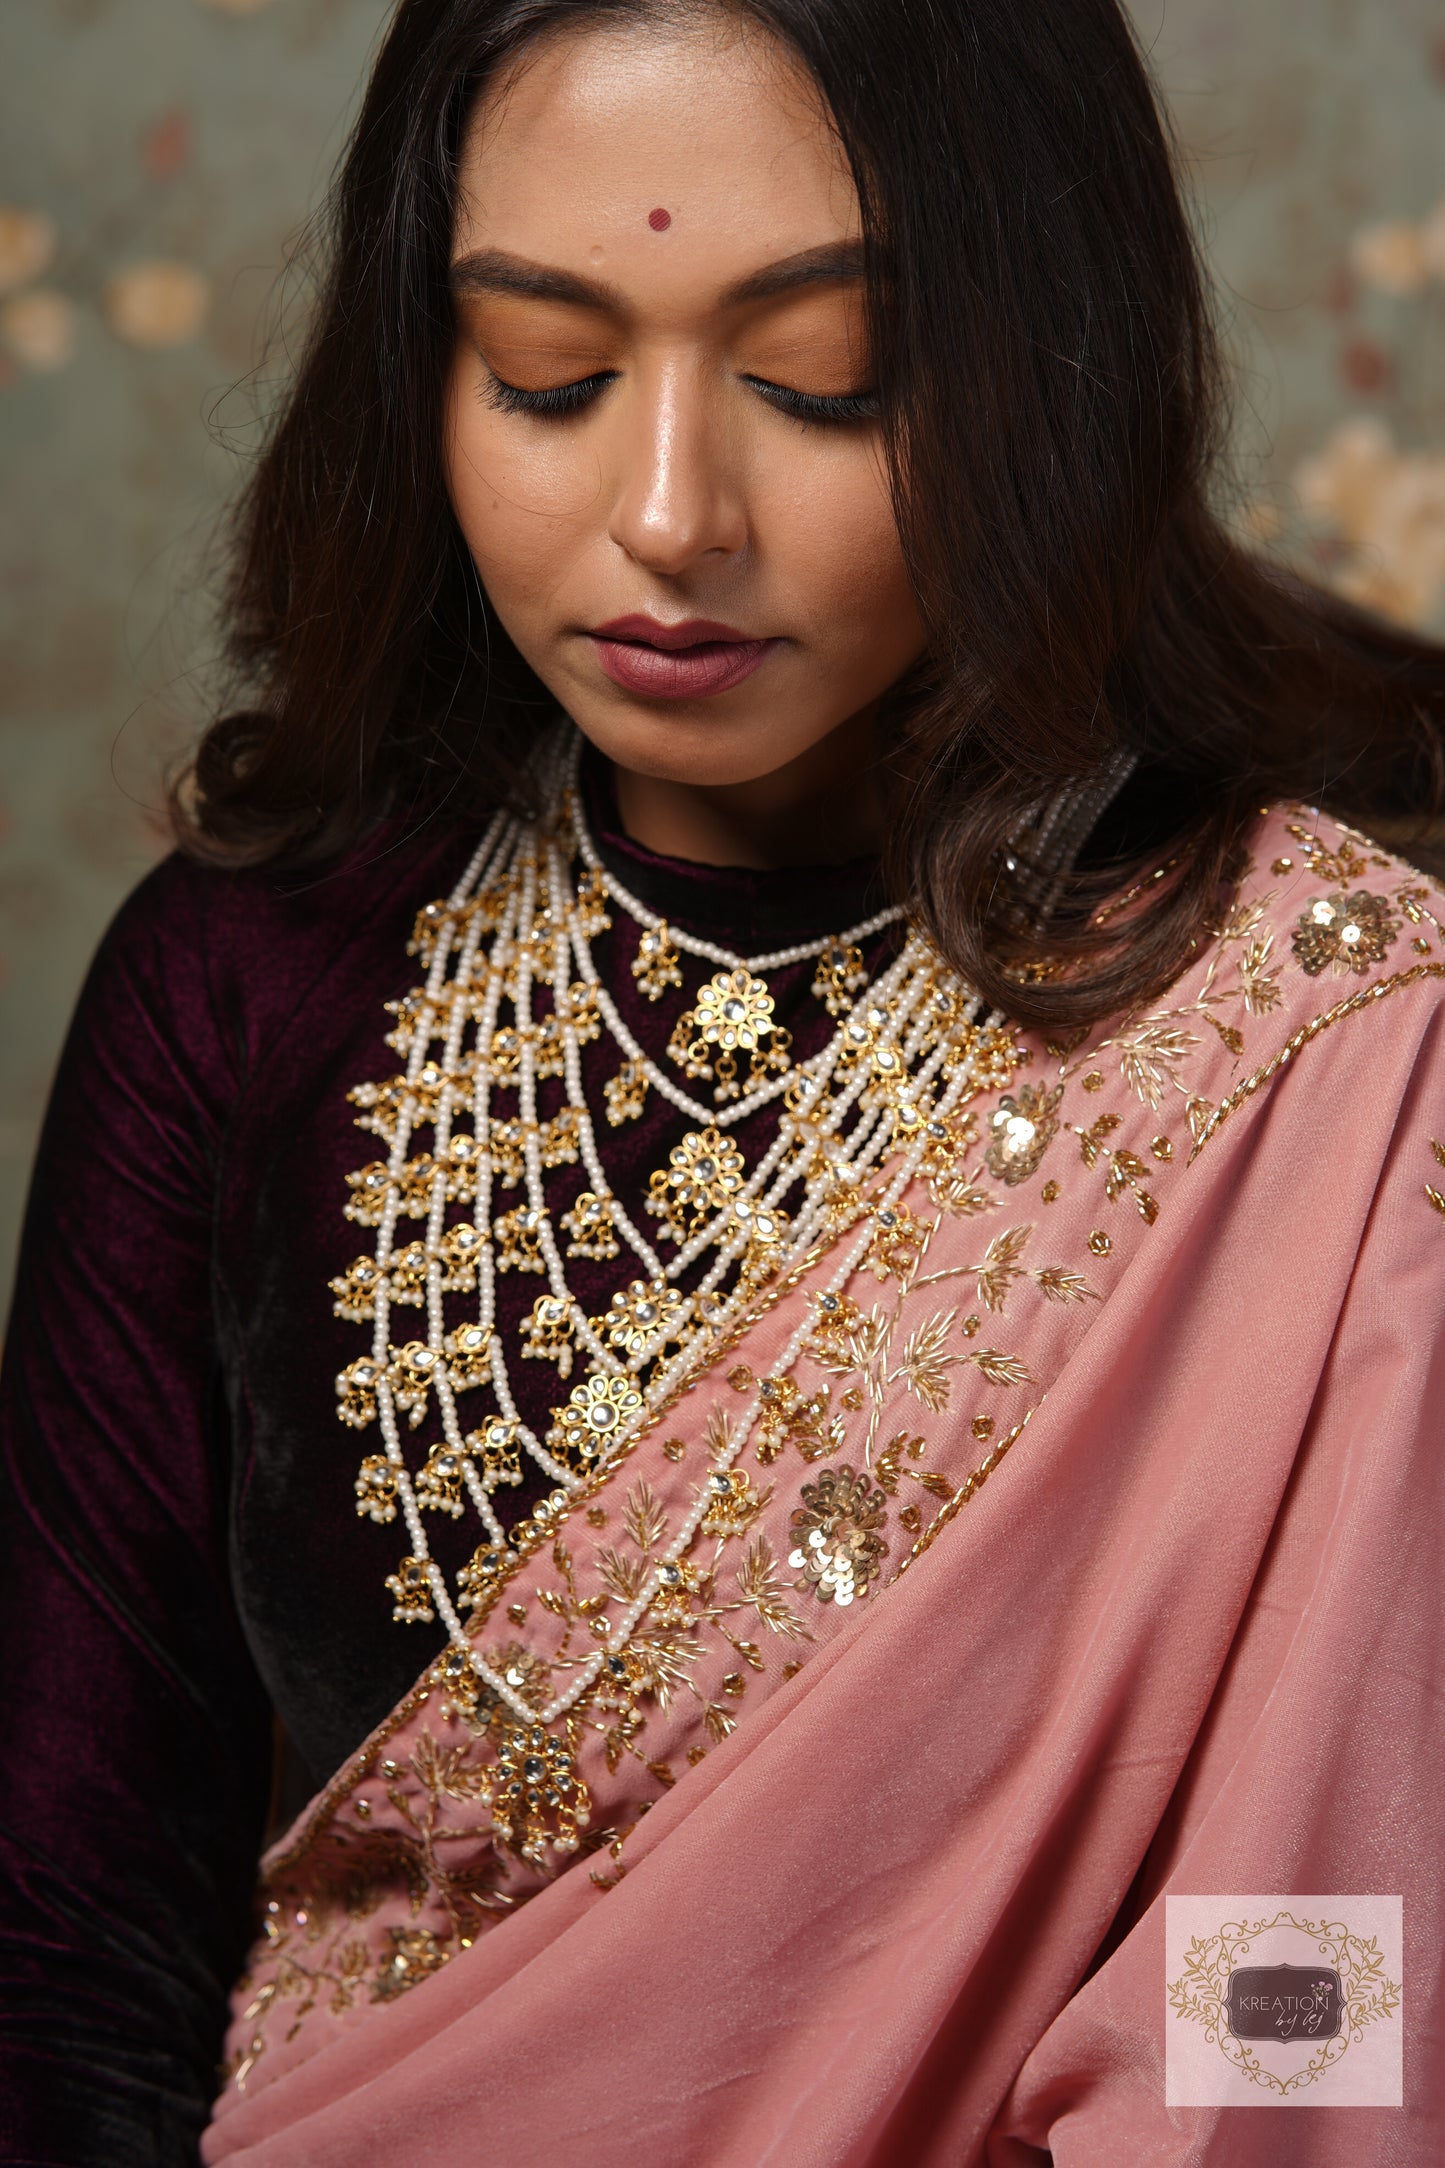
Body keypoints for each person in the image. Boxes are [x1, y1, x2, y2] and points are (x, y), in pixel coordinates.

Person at [2, 0, 1442, 2161]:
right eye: (550, 374)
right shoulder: (242, 986)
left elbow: (1329, 1967)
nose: (669, 514)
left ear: (1048, 371)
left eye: (820, 380)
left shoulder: (1323, 1039)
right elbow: (67, 1941)